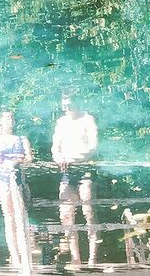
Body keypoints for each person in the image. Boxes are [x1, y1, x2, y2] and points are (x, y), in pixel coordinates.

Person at [51, 93, 99, 267]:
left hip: (85, 170)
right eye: (64, 105)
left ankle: (92, 259)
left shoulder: (87, 119)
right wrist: (59, 158)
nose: (67, 108)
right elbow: (55, 148)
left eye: (69, 105)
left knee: (88, 212)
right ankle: (75, 259)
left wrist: (72, 157)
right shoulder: (61, 122)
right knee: (66, 214)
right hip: (67, 172)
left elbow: (93, 146)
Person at [0, 109, 33, 274]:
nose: (9, 121)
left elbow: (29, 158)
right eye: (6, 118)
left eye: (11, 118)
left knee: (21, 216)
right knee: (9, 218)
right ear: (0, 121)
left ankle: (25, 254)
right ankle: (15, 257)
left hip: (20, 179)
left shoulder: (22, 139)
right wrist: (1, 163)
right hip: (3, 180)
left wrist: (16, 162)